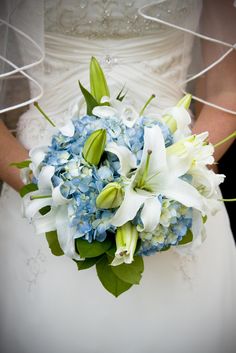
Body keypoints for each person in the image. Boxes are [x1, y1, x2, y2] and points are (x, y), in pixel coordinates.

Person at [0, 1, 236, 353]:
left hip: (175, 186)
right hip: (43, 190)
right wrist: (52, 193)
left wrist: (179, 176)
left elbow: (226, 89)